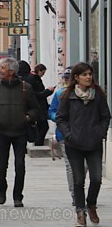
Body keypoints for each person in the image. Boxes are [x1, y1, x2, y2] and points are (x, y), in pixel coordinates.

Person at [56, 62, 110, 227]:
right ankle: (80, 212)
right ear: (77, 77)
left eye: (90, 74)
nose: (88, 77)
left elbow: (106, 117)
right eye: (84, 74)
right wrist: (69, 135)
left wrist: (100, 133)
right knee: (78, 180)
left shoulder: (98, 95)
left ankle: (91, 204)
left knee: (96, 179)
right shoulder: (67, 96)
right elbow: (60, 118)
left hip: (94, 144)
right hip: (74, 144)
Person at [0, 58, 40, 208]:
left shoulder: (25, 87)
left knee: (20, 165)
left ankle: (17, 196)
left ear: (11, 71)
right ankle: (2, 186)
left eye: (2, 68)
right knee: (1, 165)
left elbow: (35, 109)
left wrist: (28, 117)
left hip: (20, 132)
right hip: (2, 131)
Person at [48, 67, 75, 206]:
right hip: (64, 134)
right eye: (65, 78)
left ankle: (79, 188)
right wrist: (58, 118)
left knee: (85, 166)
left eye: (68, 78)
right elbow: (51, 111)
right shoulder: (59, 94)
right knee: (70, 165)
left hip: (84, 134)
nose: (66, 80)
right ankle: (75, 194)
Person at [25, 63, 55, 146]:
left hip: (40, 106)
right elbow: (36, 94)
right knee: (44, 126)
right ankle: (38, 142)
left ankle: (38, 141)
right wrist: (47, 92)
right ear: (39, 71)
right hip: (39, 106)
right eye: (43, 73)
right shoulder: (33, 79)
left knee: (41, 126)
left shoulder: (34, 78)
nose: (43, 75)